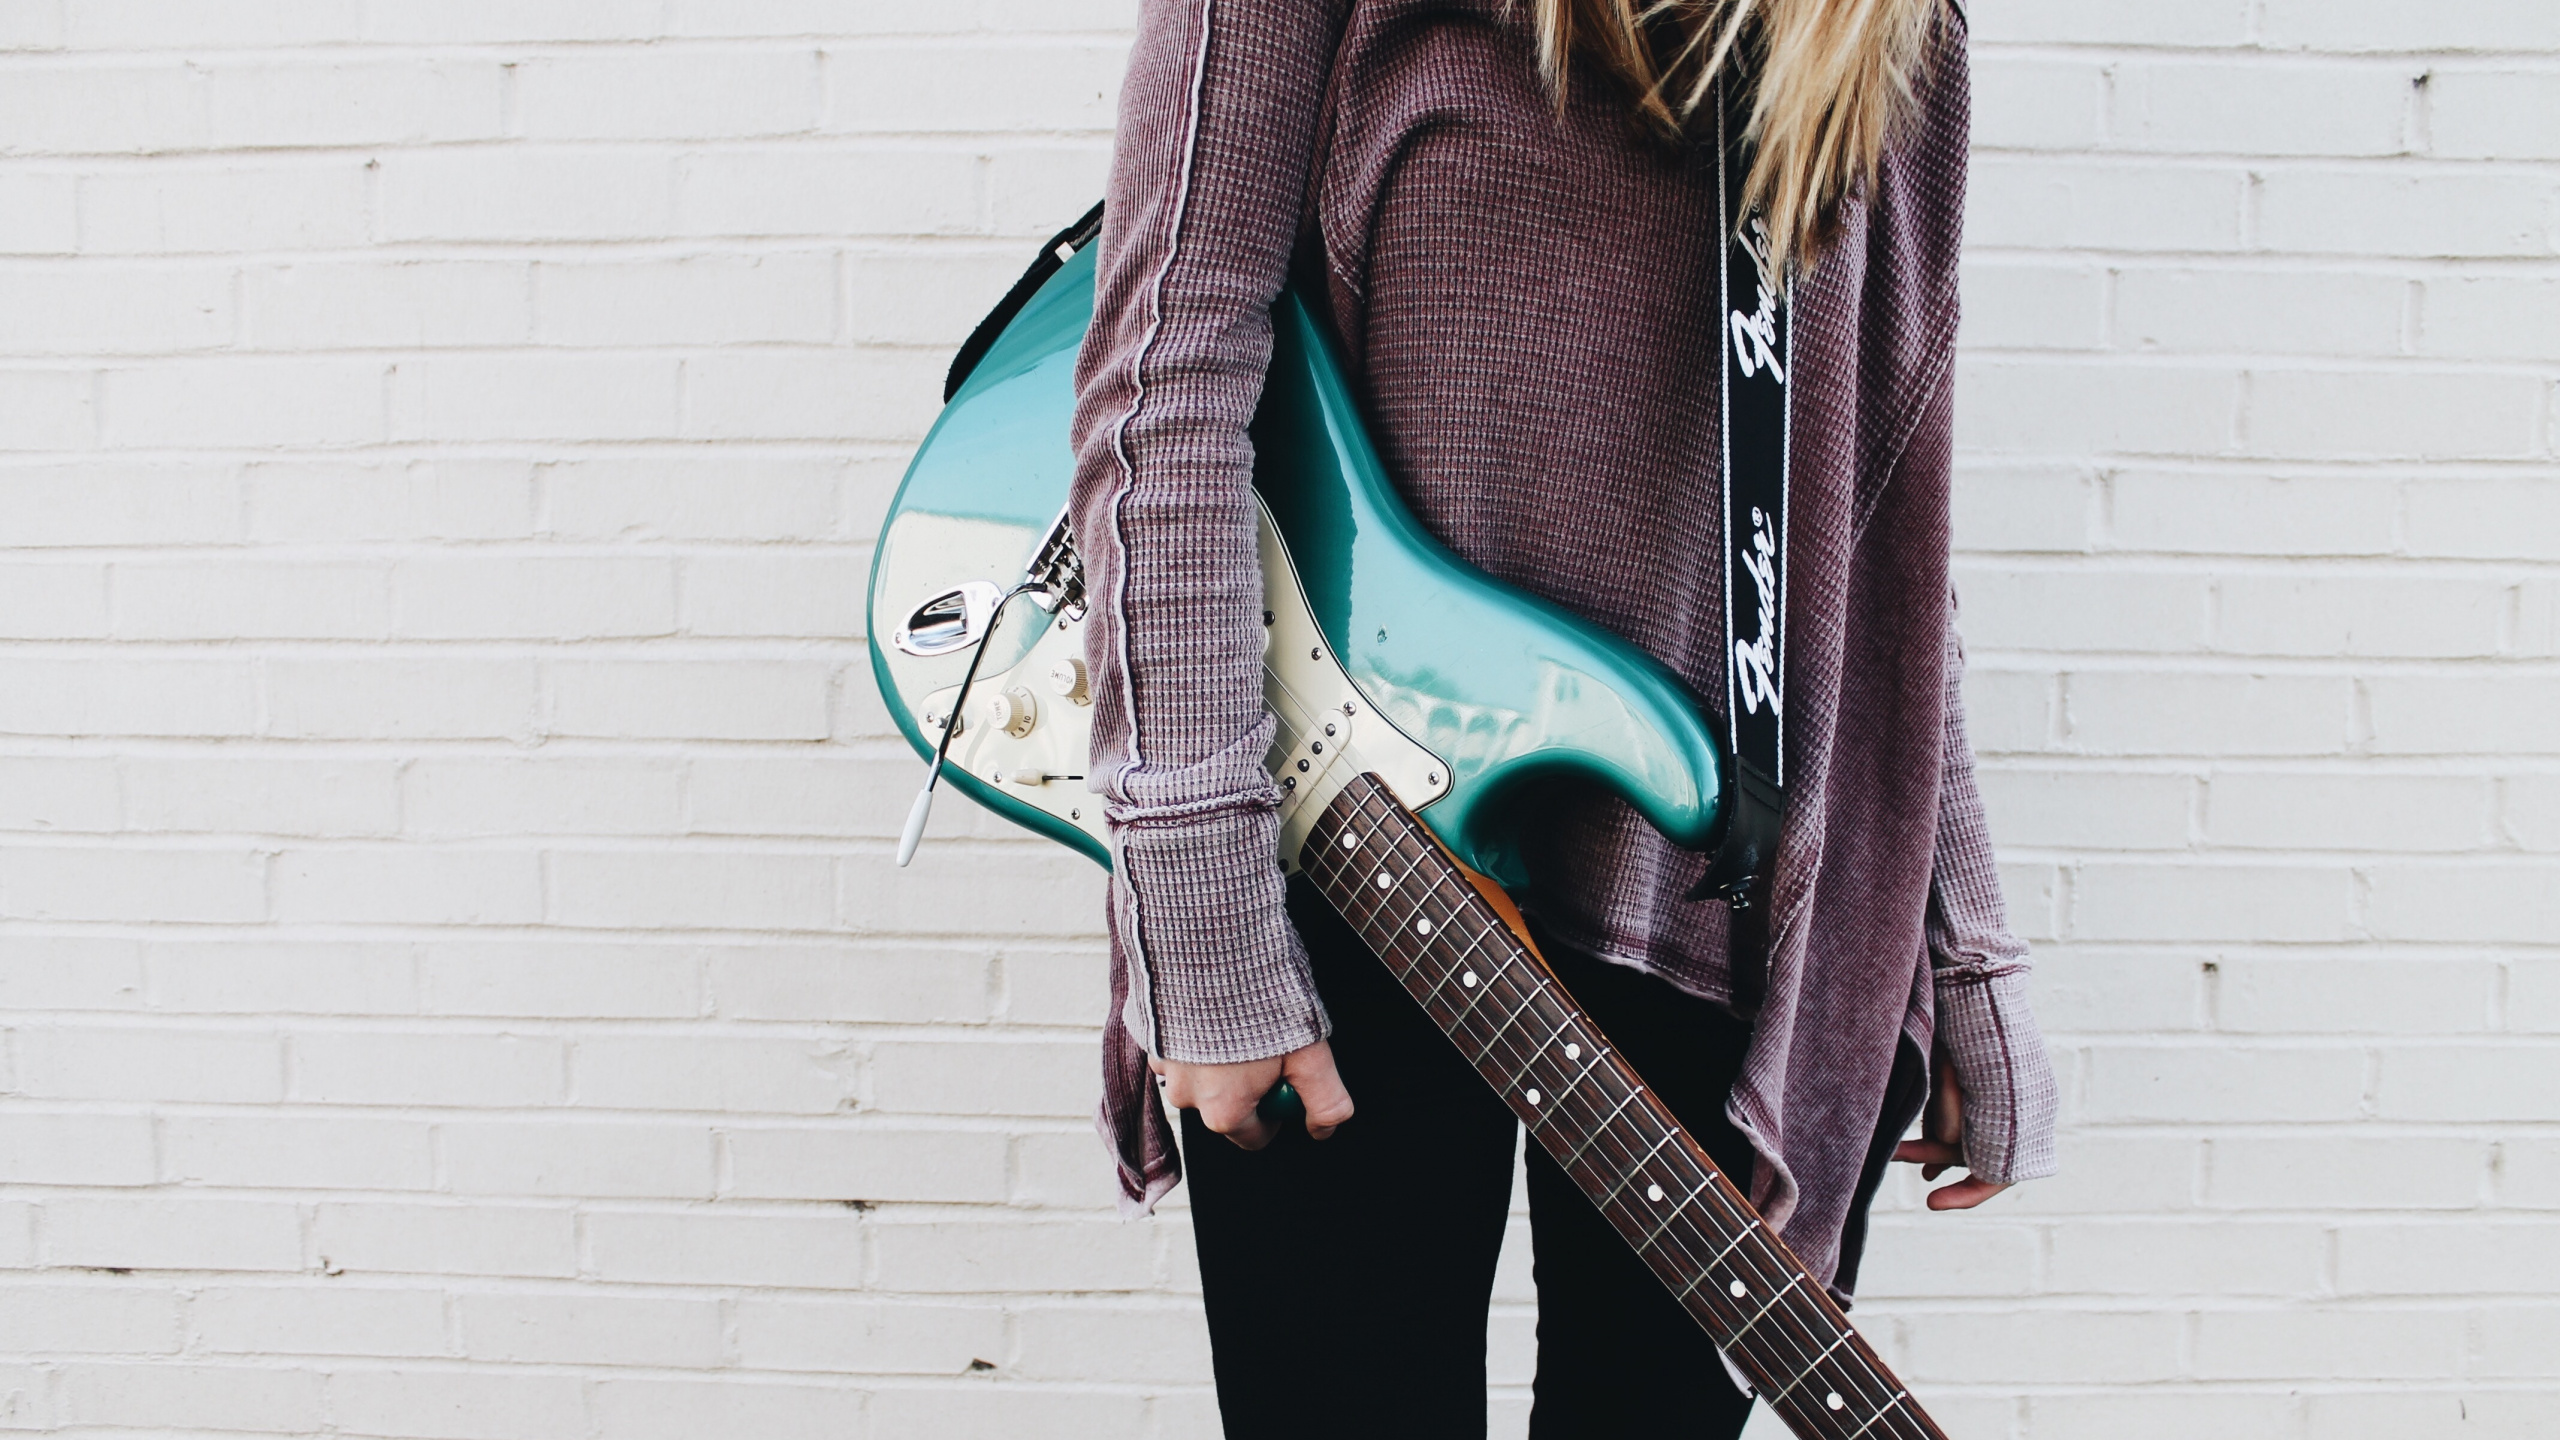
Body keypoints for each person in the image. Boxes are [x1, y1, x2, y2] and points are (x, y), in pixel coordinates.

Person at [1065, 0, 2058, 1434]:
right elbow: (1162, 387)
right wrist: (1201, 910)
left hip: (1725, 907)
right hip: (1362, 876)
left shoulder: (1884, 27)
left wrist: (1958, 944)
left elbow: (1878, 520)